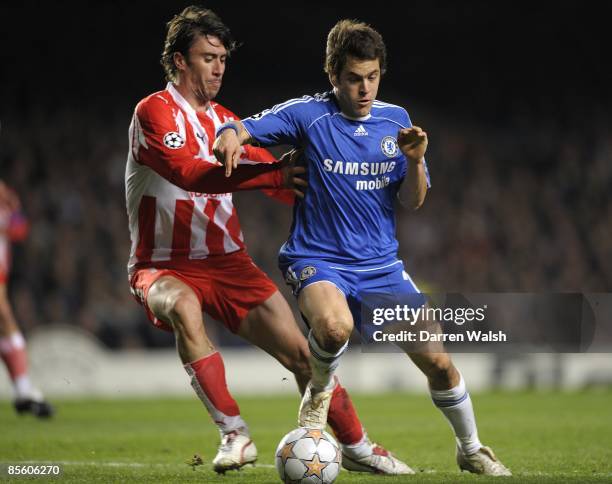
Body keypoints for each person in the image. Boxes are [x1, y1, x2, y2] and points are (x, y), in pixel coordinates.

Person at [213, 19, 512, 476]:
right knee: (335, 328)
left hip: (381, 270)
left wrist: (414, 161)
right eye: (354, 78)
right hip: (318, 259)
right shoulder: (308, 115)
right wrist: (228, 138)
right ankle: (317, 400)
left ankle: (470, 448)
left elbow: (413, 200)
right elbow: (243, 127)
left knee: (440, 366)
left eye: (372, 77)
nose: (364, 88)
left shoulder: (397, 122)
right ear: (333, 75)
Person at [126, 6, 412, 475]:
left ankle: (359, 447)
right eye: (207, 57)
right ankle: (234, 433)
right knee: (182, 306)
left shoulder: (225, 120)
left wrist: (338, 180)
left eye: (222, 58)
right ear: (180, 60)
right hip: (162, 263)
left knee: (306, 353)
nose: (218, 67)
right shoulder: (154, 112)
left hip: (228, 262)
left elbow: (287, 182)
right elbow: (189, 174)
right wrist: (272, 172)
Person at [0, 181, 54, 418]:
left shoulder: (4, 195)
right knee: (4, 318)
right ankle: (24, 390)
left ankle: (24, 389)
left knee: (5, 319)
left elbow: (20, 229)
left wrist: (14, 211)